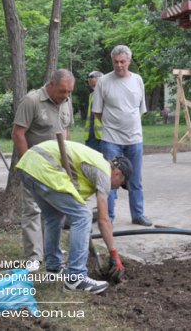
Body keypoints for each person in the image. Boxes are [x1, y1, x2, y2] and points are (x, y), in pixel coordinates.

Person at [16, 139, 130, 294]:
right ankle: (75, 278)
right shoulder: (104, 172)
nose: (117, 188)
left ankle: (54, 269)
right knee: (83, 216)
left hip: (28, 165)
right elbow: (103, 220)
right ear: (117, 173)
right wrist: (114, 254)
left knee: (53, 217)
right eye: (121, 183)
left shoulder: (96, 164)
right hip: (43, 167)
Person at [11, 69, 75, 271]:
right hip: (35, 166)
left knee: (55, 211)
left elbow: (66, 131)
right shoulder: (31, 101)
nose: (65, 96)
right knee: (32, 209)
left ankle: (52, 252)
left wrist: (67, 161)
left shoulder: (66, 102)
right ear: (51, 84)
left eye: (69, 92)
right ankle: (34, 256)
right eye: (62, 91)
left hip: (56, 167)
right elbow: (18, 133)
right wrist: (29, 163)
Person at [92, 45, 152, 226]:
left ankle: (138, 214)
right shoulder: (104, 82)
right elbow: (98, 111)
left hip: (134, 138)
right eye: (116, 62)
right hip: (111, 139)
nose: (119, 65)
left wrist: (128, 124)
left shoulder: (137, 80)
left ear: (129, 61)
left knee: (136, 179)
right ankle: (107, 217)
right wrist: (113, 125)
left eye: (123, 62)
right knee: (109, 179)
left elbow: (139, 109)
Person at [84, 71, 104, 151]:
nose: (89, 80)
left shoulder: (106, 94)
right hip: (90, 136)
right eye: (89, 78)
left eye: (91, 77)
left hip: (102, 137)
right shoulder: (91, 95)